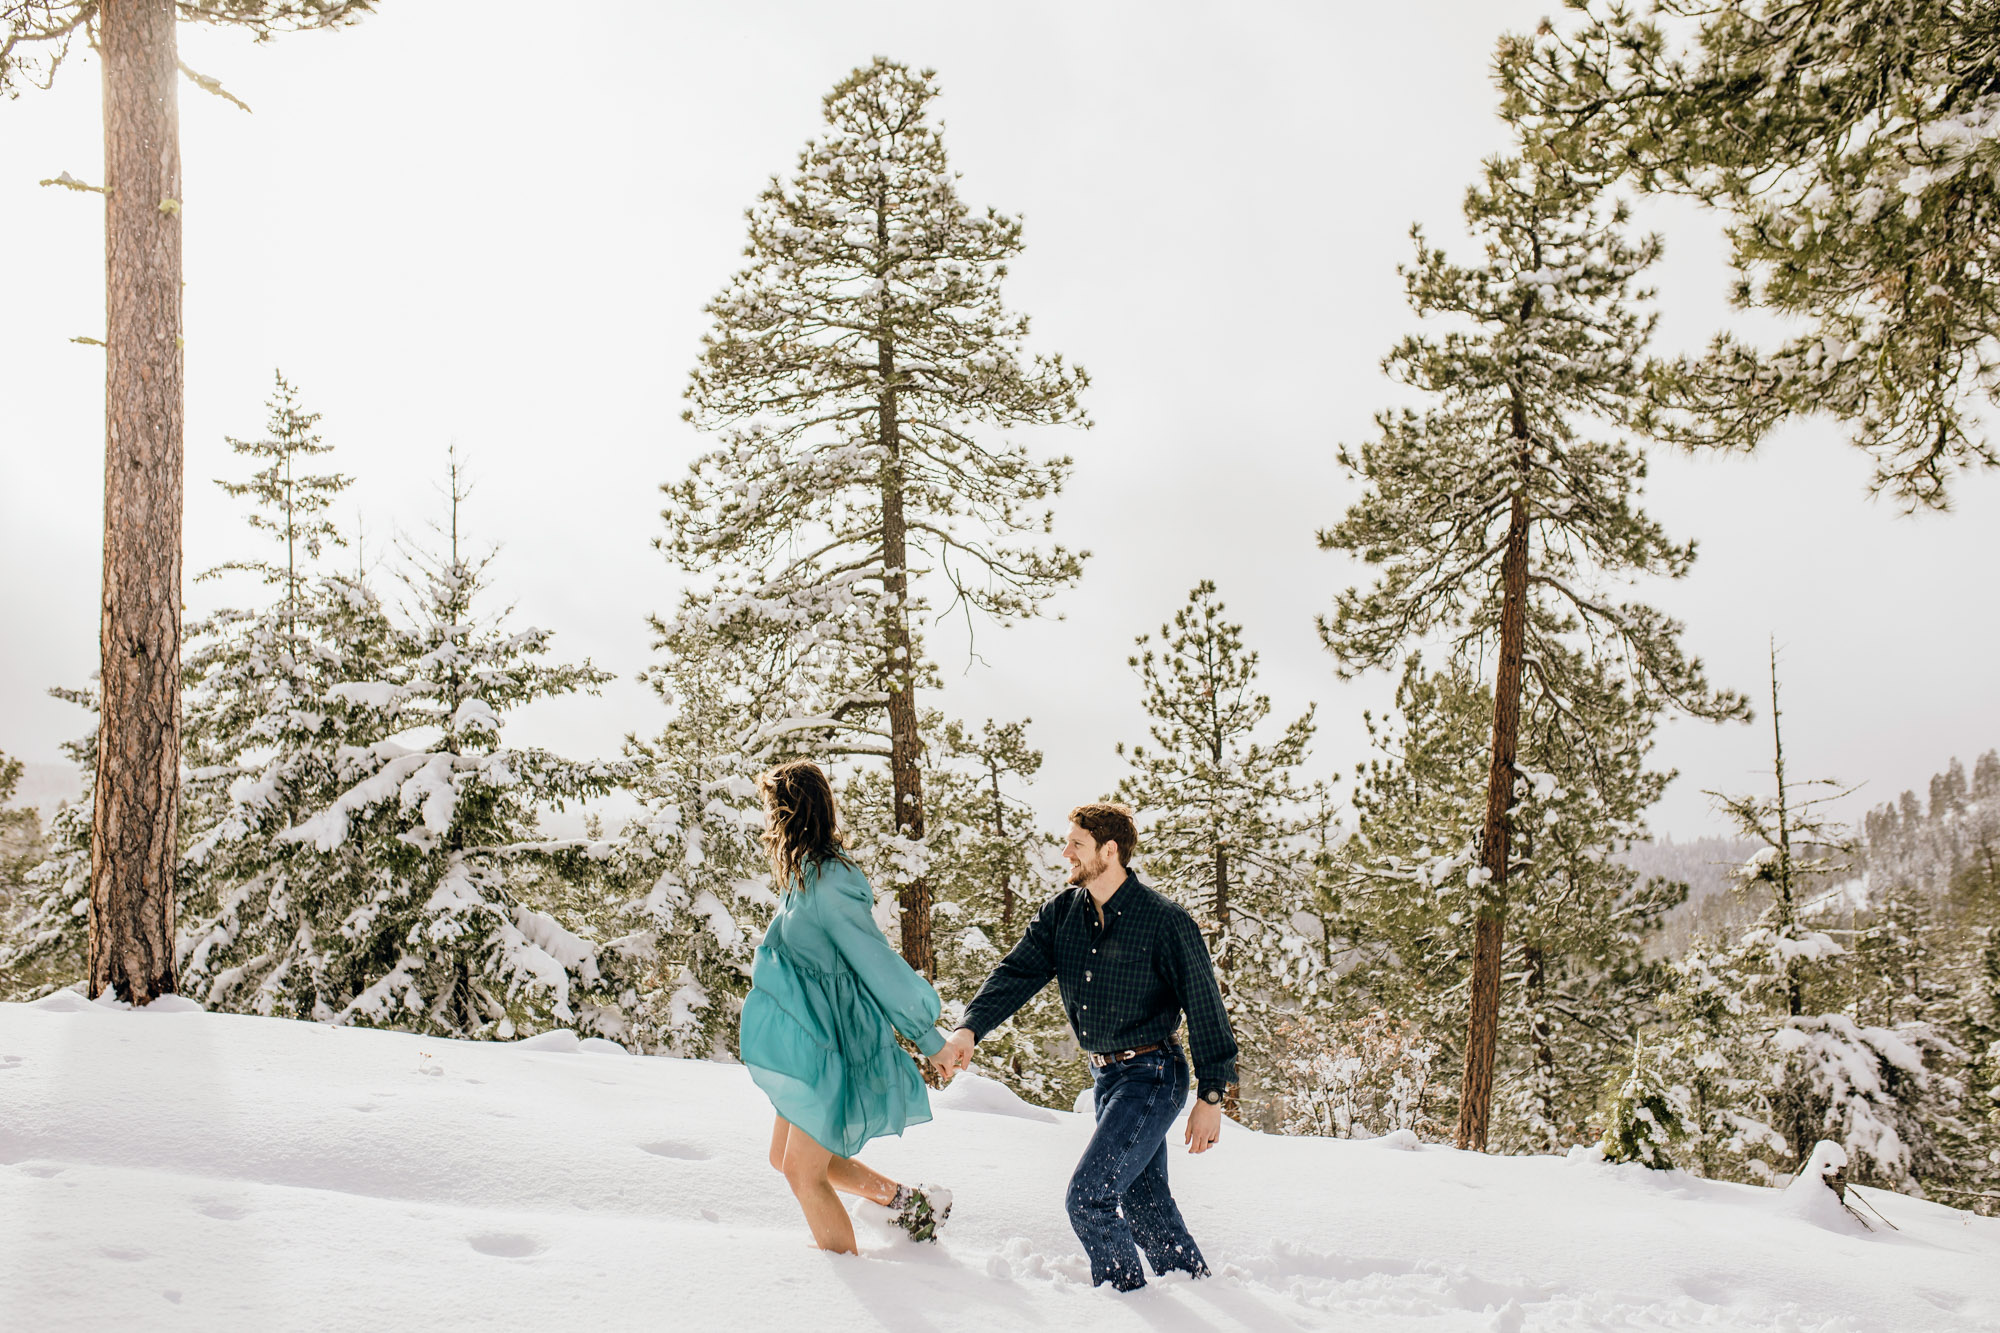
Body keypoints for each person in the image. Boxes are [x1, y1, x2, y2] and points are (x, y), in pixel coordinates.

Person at [935, 802, 1237, 1292]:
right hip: (1109, 1079)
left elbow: (1206, 1008)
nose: (1066, 851)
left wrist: (1211, 1097)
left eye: (1076, 843)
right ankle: (1194, 1287)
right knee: (1144, 1201)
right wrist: (970, 1028)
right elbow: (1017, 973)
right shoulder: (1062, 915)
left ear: (1109, 850)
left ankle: (1129, 1304)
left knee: (1090, 1196)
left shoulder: (1164, 922)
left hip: (1155, 1075)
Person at [738, 760, 955, 1253]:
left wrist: (929, 1039)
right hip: (811, 1039)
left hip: (832, 1043)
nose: (767, 821)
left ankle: (845, 1287)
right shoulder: (802, 876)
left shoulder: (830, 883)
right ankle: (909, 1205)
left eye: (772, 809)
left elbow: (877, 965)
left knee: (803, 1173)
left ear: (791, 814)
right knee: (785, 1158)